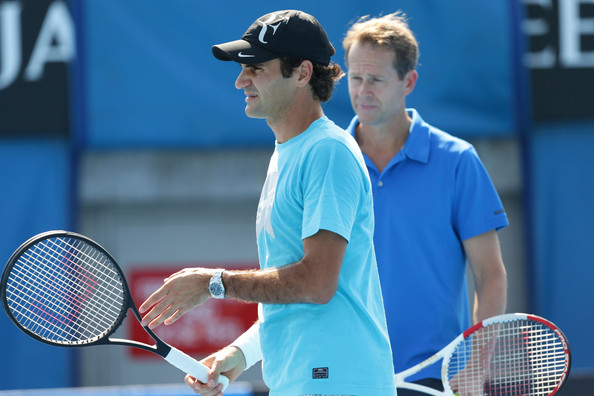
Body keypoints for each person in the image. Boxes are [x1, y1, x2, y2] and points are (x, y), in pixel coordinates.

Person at [139, 10, 396, 396]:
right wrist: (238, 355)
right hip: (308, 382)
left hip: (335, 383)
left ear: (303, 73)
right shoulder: (289, 153)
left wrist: (213, 284)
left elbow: (316, 282)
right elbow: (300, 297)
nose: (241, 80)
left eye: (257, 68)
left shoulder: (326, 150)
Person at [341, 12, 509, 395]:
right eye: (355, 78)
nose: (363, 90)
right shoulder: (330, 161)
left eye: (376, 79)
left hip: (436, 377)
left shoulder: (458, 161)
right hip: (347, 374)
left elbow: (490, 274)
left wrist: (476, 368)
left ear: (409, 81)